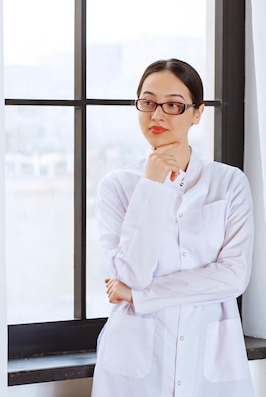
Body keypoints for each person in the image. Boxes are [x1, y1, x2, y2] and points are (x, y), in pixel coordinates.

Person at [91, 58, 255, 397]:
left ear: (197, 113)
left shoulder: (228, 184)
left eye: (174, 105)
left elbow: (233, 278)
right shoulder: (117, 186)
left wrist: (140, 296)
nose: (157, 115)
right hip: (133, 367)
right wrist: (152, 185)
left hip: (209, 363)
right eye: (148, 102)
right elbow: (133, 272)